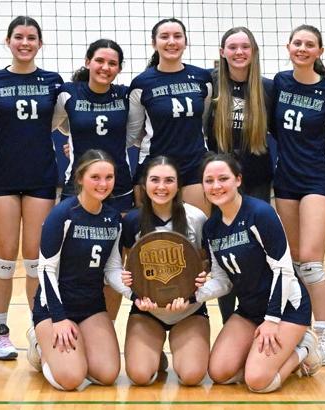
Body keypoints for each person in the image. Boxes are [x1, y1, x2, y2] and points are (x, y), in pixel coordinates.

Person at [201, 153, 321, 393]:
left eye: (223, 178)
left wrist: (272, 320)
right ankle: (264, 355)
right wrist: (193, 295)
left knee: (257, 382)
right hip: (249, 311)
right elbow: (223, 281)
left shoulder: (260, 213)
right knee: (219, 373)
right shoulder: (211, 228)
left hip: (286, 309)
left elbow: (284, 269)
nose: (216, 186)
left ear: (238, 180)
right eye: (209, 180)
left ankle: (304, 348)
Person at [0, 16, 64, 360]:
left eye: (32, 37)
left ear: (40, 43)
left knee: (35, 259)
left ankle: (36, 328)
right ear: (8, 41)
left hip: (41, 176)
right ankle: (0, 330)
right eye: (19, 37)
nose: (25, 42)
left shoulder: (52, 82)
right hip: (1, 178)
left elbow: (63, 122)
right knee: (4, 257)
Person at [271, 25, 325, 365]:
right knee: (293, 263)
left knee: (312, 262)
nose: (302, 48)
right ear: (288, 47)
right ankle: (300, 333)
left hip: (319, 180)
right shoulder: (278, 84)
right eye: (297, 43)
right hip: (285, 180)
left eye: (309, 44)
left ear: (320, 51)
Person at [55, 39, 132, 324]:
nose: (105, 67)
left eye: (112, 63)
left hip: (119, 188)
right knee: (71, 262)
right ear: (88, 62)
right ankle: (67, 322)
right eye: (100, 60)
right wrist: (72, 141)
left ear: (119, 68)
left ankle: (106, 326)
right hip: (77, 190)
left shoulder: (125, 97)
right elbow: (57, 123)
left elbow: (134, 133)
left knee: (114, 263)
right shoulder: (68, 94)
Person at [30, 150, 122, 390]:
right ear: (80, 178)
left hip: (91, 307)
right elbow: (46, 270)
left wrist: (136, 294)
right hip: (55, 308)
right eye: (95, 177)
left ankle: (78, 343)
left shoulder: (113, 219)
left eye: (109, 177)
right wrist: (59, 318)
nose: (103, 184)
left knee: (107, 374)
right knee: (71, 379)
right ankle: (39, 346)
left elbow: (112, 270)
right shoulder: (63, 214)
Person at [116, 156, 210, 386]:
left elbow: (208, 264)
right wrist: (134, 293)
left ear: (178, 185)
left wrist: (198, 287)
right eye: (155, 180)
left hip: (189, 311)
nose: (161, 187)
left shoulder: (196, 218)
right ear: (144, 184)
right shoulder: (132, 221)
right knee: (139, 376)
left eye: (169, 180)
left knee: (191, 376)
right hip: (148, 311)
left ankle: (180, 351)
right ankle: (154, 354)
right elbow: (128, 267)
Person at [206, 27, 275, 324]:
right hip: (220, 184)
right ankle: (228, 324)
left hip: (257, 181)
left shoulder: (268, 88)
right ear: (222, 52)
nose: (238, 52)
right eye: (232, 47)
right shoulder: (209, 85)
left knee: (252, 253)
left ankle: (256, 318)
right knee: (224, 252)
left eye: (245, 47)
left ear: (254, 51)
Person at [127, 18, 213, 215]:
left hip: (195, 164)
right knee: (154, 239)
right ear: (154, 43)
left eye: (177, 36)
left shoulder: (202, 79)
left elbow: (203, 120)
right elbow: (134, 132)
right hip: (155, 166)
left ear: (185, 41)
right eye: (164, 37)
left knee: (197, 235)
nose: (171, 42)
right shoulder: (142, 83)